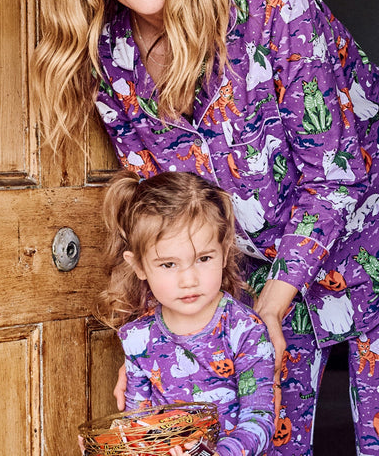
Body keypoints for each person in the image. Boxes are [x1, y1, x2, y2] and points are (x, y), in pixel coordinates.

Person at [34, 0, 379, 454]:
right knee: (261, 433)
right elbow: (161, 212)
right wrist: (150, 350)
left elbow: (333, 173)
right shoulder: (111, 52)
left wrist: (273, 303)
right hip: (255, 263)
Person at [97, 170, 276, 456]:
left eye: (203, 259)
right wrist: (111, 446)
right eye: (168, 264)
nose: (189, 280)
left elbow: (260, 419)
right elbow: (138, 424)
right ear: (139, 266)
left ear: (224, 252)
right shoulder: (137, 338)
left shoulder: (245, 330)